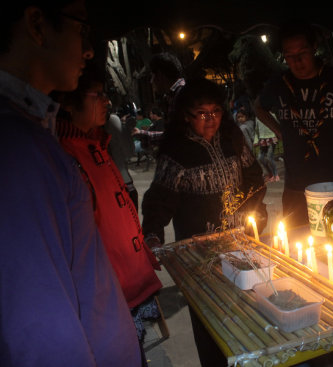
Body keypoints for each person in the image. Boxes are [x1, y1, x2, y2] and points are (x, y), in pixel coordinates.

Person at [0, 1, 142, 366]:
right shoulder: (17, 148)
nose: (89, 49)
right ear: (36, 23)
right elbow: (40, 327)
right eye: (81, 29)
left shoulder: (33, 133)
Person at [141, 78, 267, 366]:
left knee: (247, 311)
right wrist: (153, 234)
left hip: (240, 246)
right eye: (202, 113)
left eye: (216, 112)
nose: (211, 120)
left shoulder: (232, 141)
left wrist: (255, 212)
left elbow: (254, 178)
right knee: (210, 322)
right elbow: (159, 200)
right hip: (200, 258)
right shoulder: (177, 154)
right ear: (187, 115)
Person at [54, 63, 163, 352]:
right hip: (110, 295)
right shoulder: (64, 157)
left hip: (129, 282)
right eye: (98, 95)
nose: (107, 102)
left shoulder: (95, 144)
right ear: (67, 101)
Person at [255, 20, 333, 228]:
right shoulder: (279, 84)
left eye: (302, 52)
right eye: (289, 55)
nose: (297, 61)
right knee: (297, 239)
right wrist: (280, 131)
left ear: (314, 47)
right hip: (296, 183)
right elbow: (258, 107)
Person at [149, 51, 186, 120]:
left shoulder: (182, 96)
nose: (151, 81)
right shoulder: (173, 95)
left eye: (152, 76)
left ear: (160, 75)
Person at [256, 115, 280, 182]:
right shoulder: (258, 116)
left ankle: (275, 174)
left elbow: (277, 125)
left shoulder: (272, 115)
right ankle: (270, 173)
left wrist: (277, 135)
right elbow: (257, 129)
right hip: (262, 139)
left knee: (270, 157)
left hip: (271, 138)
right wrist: (256, 140)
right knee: (260, 157)